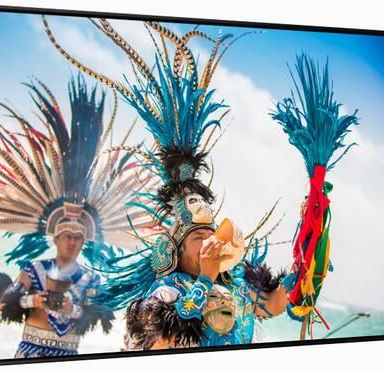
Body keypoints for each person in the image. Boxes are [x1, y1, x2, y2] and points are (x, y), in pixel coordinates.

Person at [39, 16, 295, 349]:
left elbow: (276, 305)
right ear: (174, 250)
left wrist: (309, 247)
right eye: (199, 236)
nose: (209, 241)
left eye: (211, 234)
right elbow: (166, 340)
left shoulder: (236, 289)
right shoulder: (165, 292)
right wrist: (205, 277)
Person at [0, 75, 156, 357]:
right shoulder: (33, 270)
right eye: (68, 236)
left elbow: (101, 314)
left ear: (86, 240)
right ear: (56, 236)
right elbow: (4, 302)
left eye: (78, 237)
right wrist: (34, 299)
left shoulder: (90, 279)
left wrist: (75, 309)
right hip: (30, 352)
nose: (73, 241)